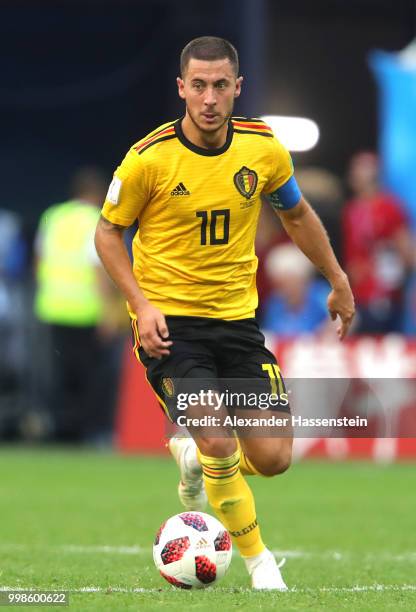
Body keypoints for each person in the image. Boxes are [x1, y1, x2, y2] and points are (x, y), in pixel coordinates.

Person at [95, 36, 354, 590]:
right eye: (198, 85)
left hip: (237, 325)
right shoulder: (149, 159)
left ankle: (190, 457)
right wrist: (140, 305)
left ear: (237, 88)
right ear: (181, 88)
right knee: (218, 437)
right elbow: (108, 232)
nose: (208, 98)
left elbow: (298, 214)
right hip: (171, 326)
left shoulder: (263, 148)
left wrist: (336, 279)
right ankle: (262, 565)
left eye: (219, 85)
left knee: (274, 457)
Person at [34, 167, 125, 443]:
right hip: (86, 310)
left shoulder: (53, 216)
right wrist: (109, 311)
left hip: (53, 306)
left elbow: (39, 259)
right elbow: (98, 267)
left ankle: (61, 430)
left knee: (60, 374)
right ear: (97, 194)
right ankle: (89, 434)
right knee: (90, 376)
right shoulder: (94, 219)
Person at [342, 151, 412, 333]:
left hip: (383, 296)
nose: (354, 173)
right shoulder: (351, 210)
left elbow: (406, 252)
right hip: (356, 294)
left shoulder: (389, 207)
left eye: (360, 168)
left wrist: (388, 270)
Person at [260, 243, 330, 336]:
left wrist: (324, 332)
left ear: (301, 278)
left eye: (286, 282)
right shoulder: (274, 303)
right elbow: (269, 334)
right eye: (278, 284)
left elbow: (347, 319)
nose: (281, 289)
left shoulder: (321, 294)